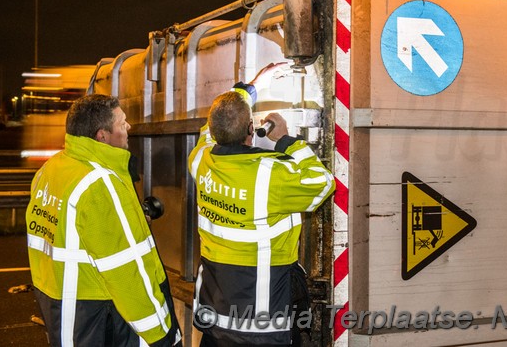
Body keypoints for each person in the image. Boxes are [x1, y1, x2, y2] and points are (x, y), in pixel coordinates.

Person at [189, 64, 336, 346]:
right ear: (251, 129)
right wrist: (286, 140)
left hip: (215, 316)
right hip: (262, 321)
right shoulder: (271, 175)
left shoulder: (200, 160)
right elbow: (322, 182)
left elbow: (209, 131)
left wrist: (250, 87)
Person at [26, 94, 182, 347]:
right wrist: (162, 336)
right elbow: (126, 274)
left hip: (60, 305)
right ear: (102, 135)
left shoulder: (51, 168)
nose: (129, 127)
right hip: (97, 315)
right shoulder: (100, 184)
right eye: (122, 123)